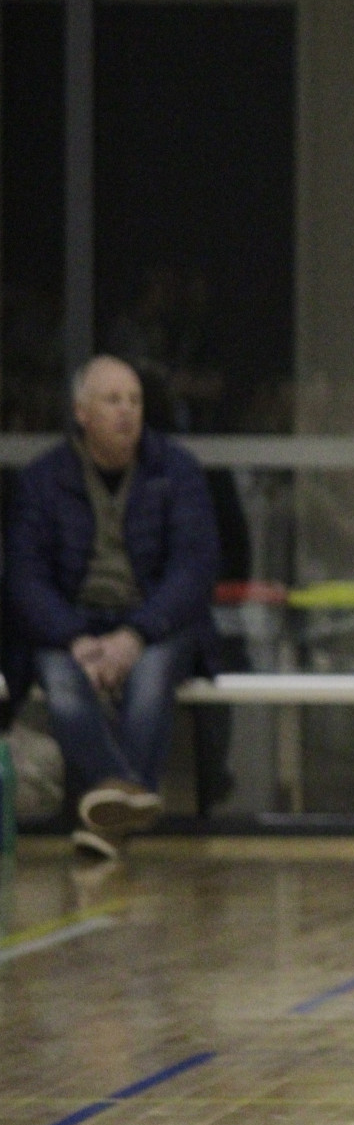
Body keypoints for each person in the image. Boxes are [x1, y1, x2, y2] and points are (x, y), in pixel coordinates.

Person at [4, 356, 220, 860]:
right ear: (82, 413)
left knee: (151, 677)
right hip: (70, 624)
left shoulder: (177, 471)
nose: (127, 411)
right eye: (112, 399)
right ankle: (132, 797)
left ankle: (110, 815)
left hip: (154, 623)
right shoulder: (41, 479)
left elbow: (194, 570)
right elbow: (25, 577)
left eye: (135, 400)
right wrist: (75, 636)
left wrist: (135, 635)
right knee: (62, 684)